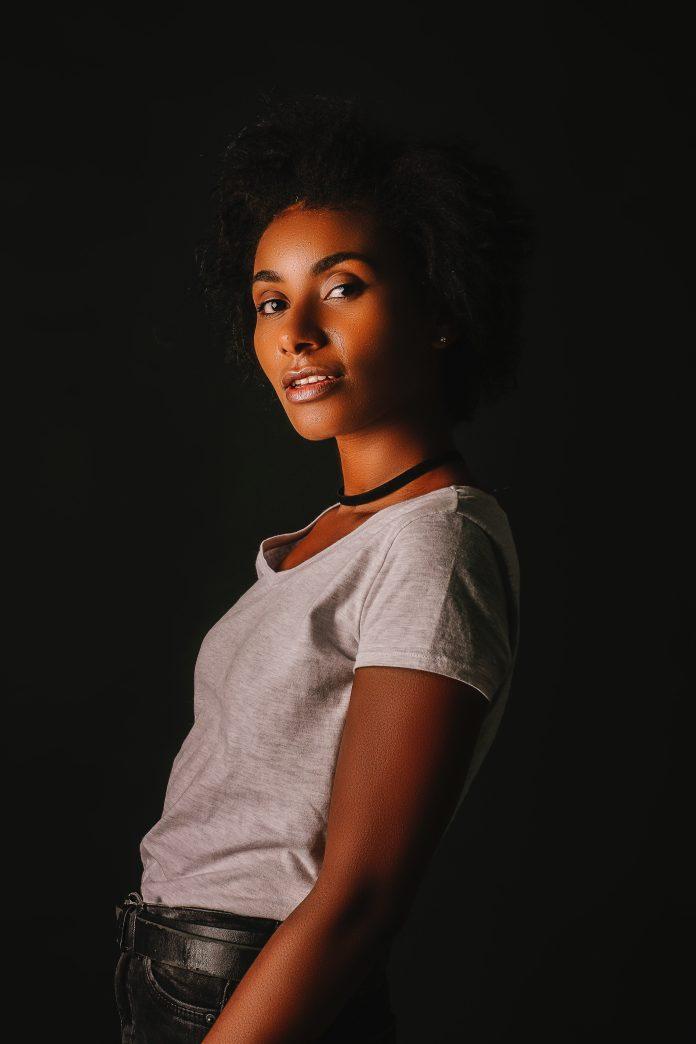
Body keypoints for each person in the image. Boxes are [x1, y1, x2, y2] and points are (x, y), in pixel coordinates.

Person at [114, 93, 531, 1043]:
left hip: (260, 1001)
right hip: (184, 984)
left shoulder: (435, 540)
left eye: (341, 286)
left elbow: (362, 895)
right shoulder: (330, 534)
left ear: (439, 309)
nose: (296, 330)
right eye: (271, 299)